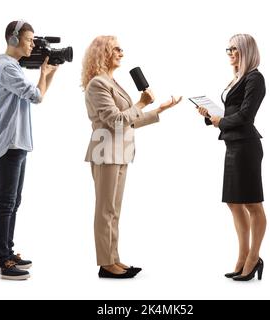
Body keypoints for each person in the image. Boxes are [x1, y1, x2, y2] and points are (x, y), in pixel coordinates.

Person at [82, 35, 182, 278]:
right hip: (105, 152)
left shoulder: (112, 82)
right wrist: (141, 102)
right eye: (116, 48)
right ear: (103, 52)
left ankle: (114, 259)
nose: (121, 52)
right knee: (105, 210)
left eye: (121, 49)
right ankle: (106, 264)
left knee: (113, 210)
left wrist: (158, 109)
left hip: (121, 153)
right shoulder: (97, 84)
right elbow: (116, 121)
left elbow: (129, 121)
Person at [0, 20, 59, 280]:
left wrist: (50, 72)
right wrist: (43, 73)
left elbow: (37, 95)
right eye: (30, 40)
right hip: (9, 143)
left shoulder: (13, 68)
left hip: (17, 143)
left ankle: (7, 252)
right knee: (6, 203)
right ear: (14, 39)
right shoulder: (7, 68)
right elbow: (37, 96)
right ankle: (1, 260)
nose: (33, 44)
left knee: (13, 202)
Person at [198, 34, 266, 281]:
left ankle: (252, 258)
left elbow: (246, 116)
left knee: (252, 204)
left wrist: (221, 120)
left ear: (246, 51)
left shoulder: (255, 78)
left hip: (246, 147)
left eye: (234, 49)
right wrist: (212, 117)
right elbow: (233, 114)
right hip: (232, 146)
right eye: (228, 49)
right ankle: (242, 256)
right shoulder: (238, 78)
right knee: (234, 202)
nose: (230, 53)